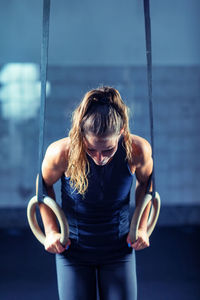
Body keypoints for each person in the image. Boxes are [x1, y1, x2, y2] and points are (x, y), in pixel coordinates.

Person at [39, 86, 153, 300]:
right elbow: (42, 186)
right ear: (81, 135)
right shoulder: (61, 152)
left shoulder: (137, 149)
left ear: (121, 133)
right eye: (91, 150)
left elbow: (147, 183)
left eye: (108, 150)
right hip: (73, 251)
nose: (99, 158)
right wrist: (52, 230)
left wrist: (142, 226)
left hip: (119, 250)